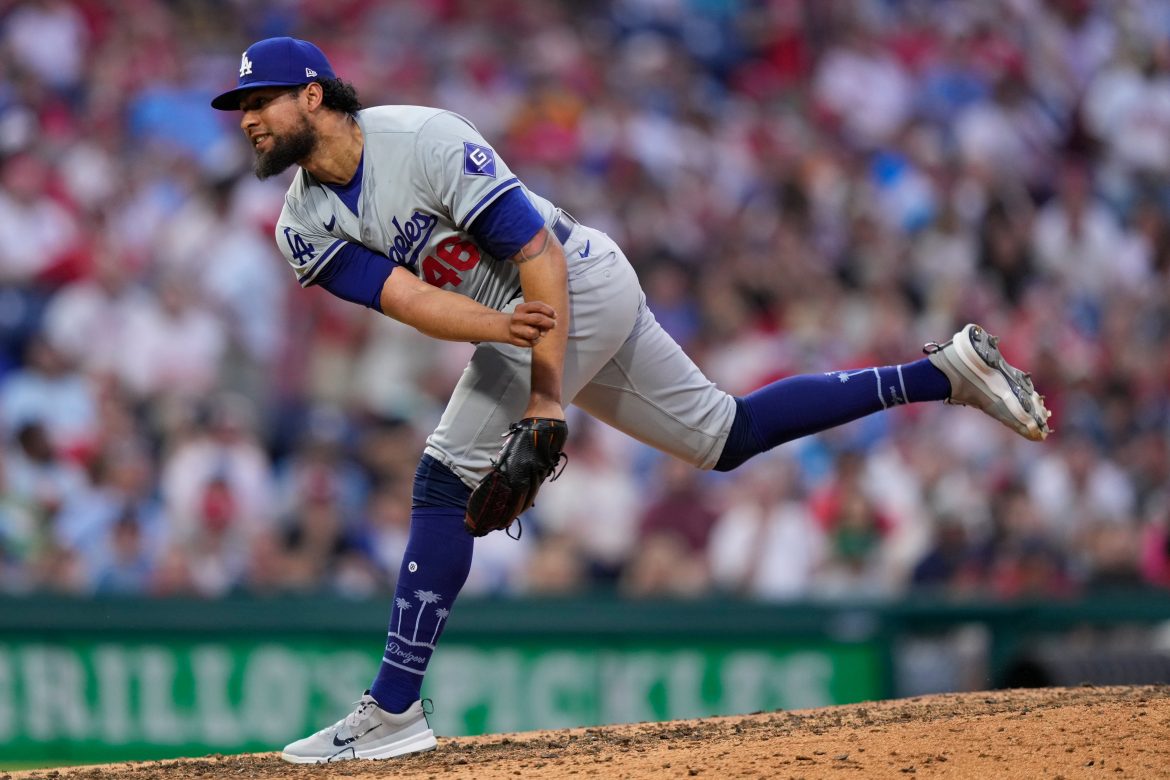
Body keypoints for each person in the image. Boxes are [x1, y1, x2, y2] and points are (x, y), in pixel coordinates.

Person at [211, 37, 1051, 764]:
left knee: (443, 477)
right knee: (724, 435)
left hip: (575, 280)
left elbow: (536, 253)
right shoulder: (300, 222)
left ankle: (392, 710)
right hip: (524, 314)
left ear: (312, 95)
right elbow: (407, 299)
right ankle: (941, 373)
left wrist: (545, 398)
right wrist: (502, 332)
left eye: (259, 100)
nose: (246, 118)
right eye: (240, 105)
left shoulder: (424, 137)